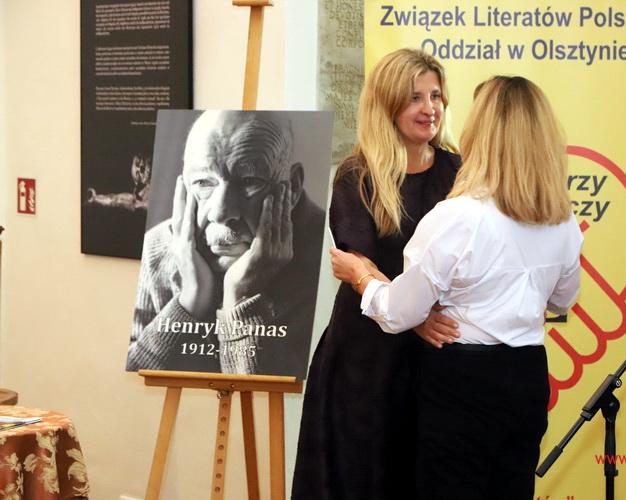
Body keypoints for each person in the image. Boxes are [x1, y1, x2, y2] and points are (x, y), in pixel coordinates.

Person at [330, 76, 583, 500]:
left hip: (462, 381)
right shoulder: (562, 221)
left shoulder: (457, 218)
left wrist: (362, 277)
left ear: (481, 134)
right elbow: (562, 299)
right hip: (527, 375)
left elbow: (399, 313)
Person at [292, 49, 461, 500]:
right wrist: (414, 317)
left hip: (433, 363)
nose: (429, 108)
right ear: (387, 105)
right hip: (366, 362)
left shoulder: (458, 172)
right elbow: (358, 266)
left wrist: (417, 317)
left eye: (435, 96)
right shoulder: (358, 175)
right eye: (415, 98)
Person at [126, 110, 325, 376]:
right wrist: (190, 298)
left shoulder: (328, 259)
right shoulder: (156, 248)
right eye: (203, 182)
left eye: (249, 181)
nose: (220, 212)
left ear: (294, 186)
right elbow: (137, 375)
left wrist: (241, 296)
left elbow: (272, 392)